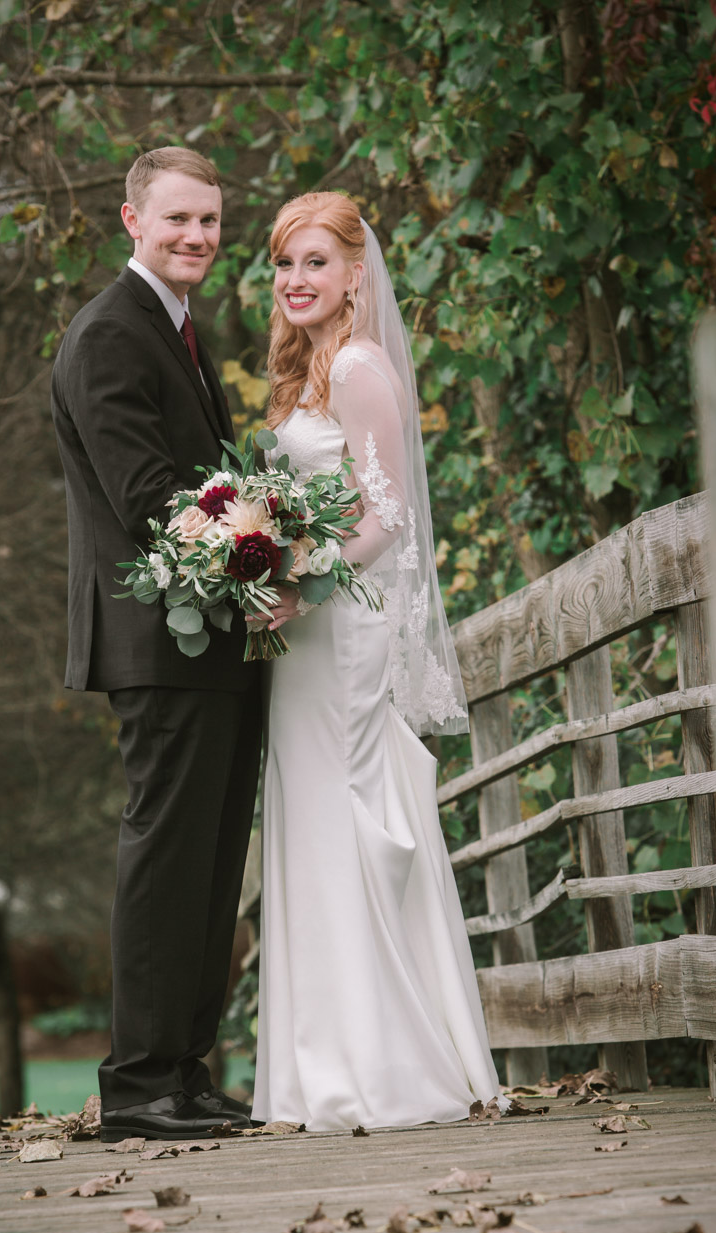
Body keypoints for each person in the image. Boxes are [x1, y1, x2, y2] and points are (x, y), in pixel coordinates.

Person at [251, 192, 510, 1131]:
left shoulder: (359, 368)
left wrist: (304, 586)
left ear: (358, 273)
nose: (295, 280)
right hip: (301, 633)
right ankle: (319, 1064)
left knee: (347, 812)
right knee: (311, 815)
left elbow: (386, 515)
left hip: (343, 626)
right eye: (284, 264)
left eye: (315, 262)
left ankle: (378, 1062)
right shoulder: (307, 371)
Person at [50, 148, 262, 1142]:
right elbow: (146, 502)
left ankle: (183, 1069)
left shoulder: (181, 328)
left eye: (210, 222)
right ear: (130, 220)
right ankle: (138, 1087)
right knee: (165, 859)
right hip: (157, 640)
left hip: (212, 643)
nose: (196, 238)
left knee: (211, 865)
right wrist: (262, 554)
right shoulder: (107, 335)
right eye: (178, 219)